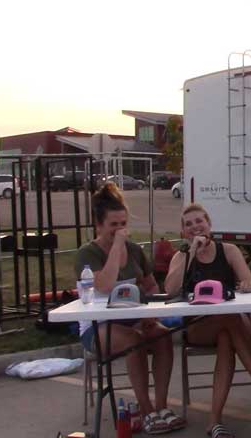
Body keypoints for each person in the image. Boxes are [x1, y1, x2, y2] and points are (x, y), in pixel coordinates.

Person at [164, 203, 251, 438]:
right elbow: (170, 289)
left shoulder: (229, 250)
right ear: (183, 232)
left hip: (231, 322)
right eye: (188, 224)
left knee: (226, 333)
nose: (195, 227)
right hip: (199, 325)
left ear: (209, 224)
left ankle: (215, 422)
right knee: (227, 322)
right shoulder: (181, 256)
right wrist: (190, 253)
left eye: (199, 221)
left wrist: (247, 285)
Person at [74, 182, 185, 434]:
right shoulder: (87, 254)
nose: (120, 230)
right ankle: (145, 410)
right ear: (99, 225)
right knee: (133, 341)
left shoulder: (135, 251)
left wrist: (151, 313)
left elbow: (150, 286)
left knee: (161, 335)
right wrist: (115, 247)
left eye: (123, 224)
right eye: (113, 225)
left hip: (132, 318)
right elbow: (103, 285)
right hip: (98, 325)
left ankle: (161, 406)